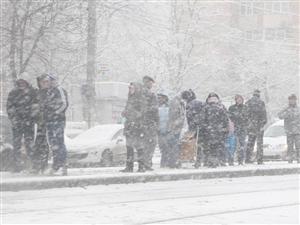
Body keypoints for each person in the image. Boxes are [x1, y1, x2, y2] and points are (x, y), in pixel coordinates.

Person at [6, 78, 38, 172]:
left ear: (27, 83)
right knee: (16, 144)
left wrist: (31, 117)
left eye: (23, 82)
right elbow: (9, 107)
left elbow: (36, 106)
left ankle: (31, 164)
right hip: (17, 123)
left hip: (28, 123)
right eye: (20, 82)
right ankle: (17, 165)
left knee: (30, 144)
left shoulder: (32, 92)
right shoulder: (13, 93)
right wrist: (14, 119)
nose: (22, 84)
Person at [43, 74, 69, 175]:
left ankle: (63, 164)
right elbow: (46, 105)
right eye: (49, 81)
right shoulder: (48, 92)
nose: (50, 82)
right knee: (53, 143)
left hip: (58, 120)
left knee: (59, 141)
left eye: (52, 80)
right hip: (49, 121)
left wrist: (56, 113)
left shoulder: (59, 90)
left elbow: (64, 104)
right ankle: (56, 164)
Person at [120, 82, 146, 172]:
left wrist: (131, 114)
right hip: (130, 126)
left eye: (132, 88)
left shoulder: (140, 99)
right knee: (129, 147)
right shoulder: (130, 99)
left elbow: (142, 113)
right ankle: (129, 166)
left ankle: (141, 166)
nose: (130, 89)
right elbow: (129, 110)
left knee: (139, 147)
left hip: (137, 126)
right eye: (129, 88)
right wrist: (125, 113)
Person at [199, 93, 229, 168]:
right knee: (216, 147)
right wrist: (224, 129)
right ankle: (217, 161)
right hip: (218, 131)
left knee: (208, 147)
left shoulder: (205, 108)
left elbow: (201, 120)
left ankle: (208, 161)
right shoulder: (221, 108)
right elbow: (225, 120)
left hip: (208, 131)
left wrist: (204, 128)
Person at [31, 74, 50, 174]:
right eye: (43, 82)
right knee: (37, 144)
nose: (45, 84)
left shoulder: (50, 93)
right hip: (39, 123)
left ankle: (44, 165)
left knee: (45, 145)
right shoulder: (37, 93)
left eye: (47, 82)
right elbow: (33, 107)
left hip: (48, 122)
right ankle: (36, 165)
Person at [181, 89, 204, 168]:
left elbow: (190, 117)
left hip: (196, 126)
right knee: (199, 144)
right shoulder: (198, 103)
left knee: (196, 144)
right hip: (201, 126)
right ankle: (199, 160)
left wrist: (192, 127)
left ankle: (197, 161)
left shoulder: (190, 104)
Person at [141, 76, 159, 171]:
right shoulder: (151, 95)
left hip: (141, 123)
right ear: (147, 82)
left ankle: (143, 163)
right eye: (151, 83)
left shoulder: (138, 93)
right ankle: (147, 163)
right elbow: (154, 110)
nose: (152, 85)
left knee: (144, 144)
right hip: (149, 123)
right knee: (151, 144)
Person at [245, 89, 267, 165]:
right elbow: (264, 115)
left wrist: (248, 124)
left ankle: (248, 158)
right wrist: (263, 124)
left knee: (250, 143)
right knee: (259, 143)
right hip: (259, 125)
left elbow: (245, 115)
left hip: (251, 125)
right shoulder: (261, 102)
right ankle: (259, 159)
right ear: (259, 94)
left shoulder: (248, 102)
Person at [165, 93, 186, 168]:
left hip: (175, 128)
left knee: (173, 145)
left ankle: (173, 162)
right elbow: (175, 116)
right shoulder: (176, 103)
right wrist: (176, 123)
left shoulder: (178, 102)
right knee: (174, 145)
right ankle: (174, 162)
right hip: (174, 128)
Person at [278, 94, 300, 163]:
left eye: (293, 100)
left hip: (297, 130)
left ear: (295, 100)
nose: (292, 101)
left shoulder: (298, 108)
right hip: (289, 130)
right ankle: (290, 158)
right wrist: (286, 115)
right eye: (291, 100)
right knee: (290, 145)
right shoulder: (286, 108)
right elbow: (279, 115)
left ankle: (298, 158)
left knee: (298, 145)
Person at [228, 95, 248, 165]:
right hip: (234, 128)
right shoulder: (232, 108)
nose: (239, 101)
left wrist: (245, 124)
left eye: (241, 99)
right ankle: (231, 160)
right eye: (238, 99)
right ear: (235, 100)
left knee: (242, 145)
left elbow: (247, 118)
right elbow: (229, 117)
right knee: (232, 145)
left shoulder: (245, 108)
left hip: (242, 128)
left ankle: (240, 160)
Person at [157, 92, 170, 168]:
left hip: (166, 131)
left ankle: (164, 163)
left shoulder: (168, 107)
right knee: (163, 148)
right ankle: (164, 163)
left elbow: (168, 119)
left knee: (165, 148)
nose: (159, 99)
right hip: (159, 131)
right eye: (158, 98)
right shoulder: (156, 106)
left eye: (160, 98)